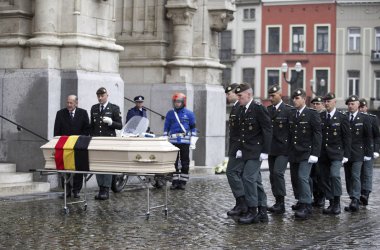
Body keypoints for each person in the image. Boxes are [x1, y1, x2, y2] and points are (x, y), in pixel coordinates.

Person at [230, 83, 272, 224]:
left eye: (240, 96)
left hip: (257, 151)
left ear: (249, 95)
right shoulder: (242, 110)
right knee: (255, 181)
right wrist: (240, 149)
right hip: (246, 151)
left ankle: (252, 211)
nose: (239, 98)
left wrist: (266, 151)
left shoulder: (258, 108)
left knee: (248, 178)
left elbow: (267, 130)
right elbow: (242, 133)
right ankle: (262, 212)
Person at [288, 89, 322, 220]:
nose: (295, 101)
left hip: (306, 152)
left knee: (303, 177)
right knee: (296, 178)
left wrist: (315, 153)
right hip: (294, 152)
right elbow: (290, 135)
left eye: (297, 98)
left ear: (304, 99)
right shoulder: (292, 114)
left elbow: (318, 134)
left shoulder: (311, 114)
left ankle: (307, 206)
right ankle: (301, 200)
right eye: (294, 98)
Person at [319, 93, 351, 215]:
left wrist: (346, 155)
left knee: (334, 175)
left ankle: (337, 203)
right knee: (323, 178)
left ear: (334, 102)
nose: (326, 103)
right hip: (323, 153)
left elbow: (347, 137)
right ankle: (331, 201)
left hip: (337, 153)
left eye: (329, 101)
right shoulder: (321, 116)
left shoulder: (342, 117)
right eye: (325, 101)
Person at [54, 95, 90, 198]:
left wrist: (80, 140)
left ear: (76, 103)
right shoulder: (60, 113)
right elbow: (57, 131)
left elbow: (87, 129)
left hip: (78, 146)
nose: (69, 105)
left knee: (78, 169)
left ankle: (76, 191)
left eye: (71, 103)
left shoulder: (83, 113)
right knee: (64, 169)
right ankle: (66, 190)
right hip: (64, 146)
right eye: (68, 103)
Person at [90, 87, 122, 200]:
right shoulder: (94, 108)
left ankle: (106, 189)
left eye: (102, 96)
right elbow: (92, 126)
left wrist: (111, 122)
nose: (100, 98)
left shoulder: (114, 108)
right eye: (98, 96)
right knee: (98, 165)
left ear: (107, 95)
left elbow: (120, 125)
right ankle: (101, 188)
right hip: (97, 141)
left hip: (109, 141)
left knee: (107, 165)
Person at [344, 95, 373, 212]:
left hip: (358, 152)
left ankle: (356, 199)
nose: (350, 106)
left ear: (358, 105)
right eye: (349, 104)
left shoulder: (364, 118)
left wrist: (368, 153)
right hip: (346, 153)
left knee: (356, 175)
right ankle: (352, 196)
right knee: (348, 176)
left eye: (353, 104)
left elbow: (368, 137)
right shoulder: (344, 117)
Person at [266, 85, 292, 215]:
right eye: (269, 96)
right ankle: (277, 201)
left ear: (280, 95)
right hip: (272, 149)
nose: (271, 98)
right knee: (272, 175)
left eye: (273, 96)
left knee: (278, 173)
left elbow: (293, 131)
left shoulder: (288, 110)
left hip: (284, 149)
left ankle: (281, 203)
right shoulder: (268, 110)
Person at [164, 93, 197, 190]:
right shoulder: (170, 113)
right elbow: (166, 127)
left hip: (185, 142)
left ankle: (183, 182)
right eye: (175, 102)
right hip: (173, 141)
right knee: (173, 162)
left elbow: (193, 128)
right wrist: (165, 137)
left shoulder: (189, 114)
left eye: (179, 102)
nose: (177, 104)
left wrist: (193, 141)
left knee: (185, 162)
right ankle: (174, 182)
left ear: (183, 102)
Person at [225, 83, 249, 216]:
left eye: (229, 94)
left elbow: (243, 131)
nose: (227, 97)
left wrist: (240, 148)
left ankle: (243, 202)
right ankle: (240, 202)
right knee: (236, 174)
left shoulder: (240, 108)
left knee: (231, 173)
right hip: (235, 147)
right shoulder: (235, 108)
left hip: (240, 148)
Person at [358, 98, 380, 206]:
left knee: (367, 173)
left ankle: (365, 194)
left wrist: (376, 150)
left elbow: (376, 136)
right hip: (356, 150)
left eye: (363, 107)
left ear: (366, 107)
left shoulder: (372, 118)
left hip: (368, 150)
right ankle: (357, 194)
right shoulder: (354, 118)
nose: (361, 109)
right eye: (359, 107)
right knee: (357, 173)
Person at [309, 96, 326, 208]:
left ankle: (321, 197)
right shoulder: (310, 115)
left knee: (321, 175)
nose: (315, 106)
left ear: (322, 105)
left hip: (323, 151)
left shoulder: (325, 116)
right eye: (314, 104)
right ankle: (314, 195)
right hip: (311, 149)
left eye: (318, 104)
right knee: (311, 175)